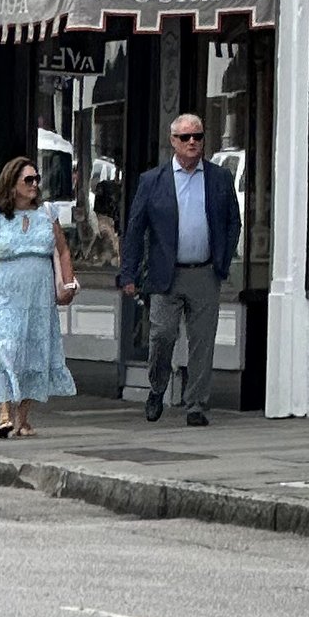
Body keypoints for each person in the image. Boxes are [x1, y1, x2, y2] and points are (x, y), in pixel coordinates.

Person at [120, 116, 240, 426]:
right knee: (162, 334)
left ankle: (196, 404)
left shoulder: (219, 178)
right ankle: (157, 387)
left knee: (202, 340)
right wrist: (129, 274)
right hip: (165, 274)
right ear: (173, 141)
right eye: (185, 137)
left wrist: (222, 261)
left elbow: (232, 223)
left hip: (204, 271)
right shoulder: (153, 181)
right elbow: (135, 230)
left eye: (197, 136)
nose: (192, 142)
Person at [0, 154, 78, 440]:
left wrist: (68, 283)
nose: (35, 184)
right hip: (4, 293)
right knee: (5, 347)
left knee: (34, 353)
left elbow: (62, 250)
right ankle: (4, 414)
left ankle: (22, 419)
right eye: (28, 179)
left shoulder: (47, 214)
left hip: (38, 296)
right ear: (12, 185)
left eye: (37, 179)